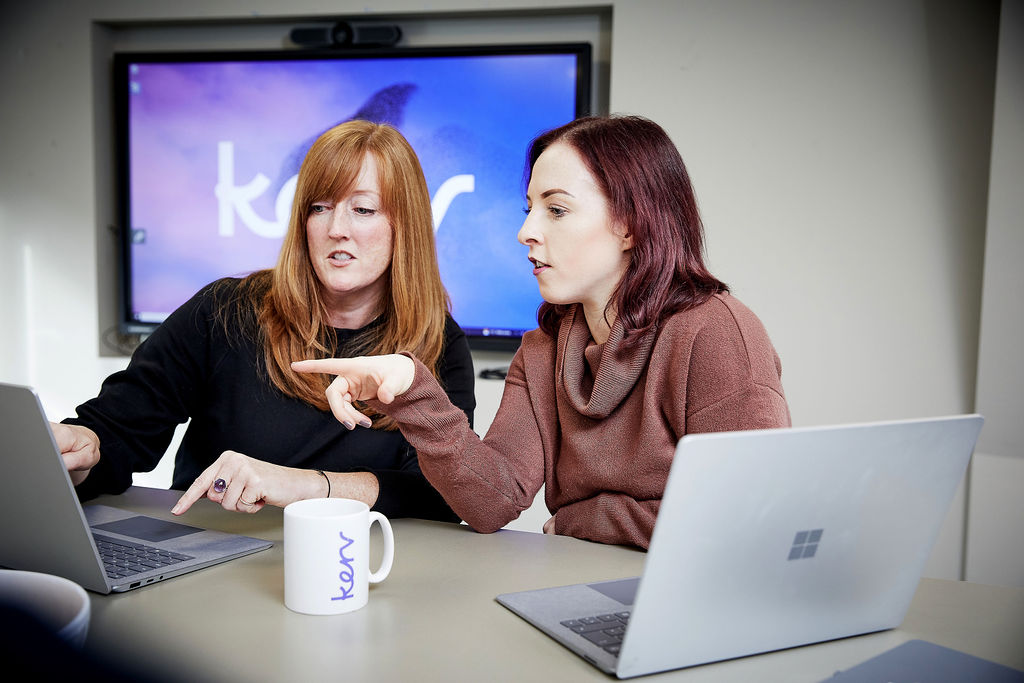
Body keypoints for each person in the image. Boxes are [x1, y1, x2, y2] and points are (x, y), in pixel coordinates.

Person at [293, 115, 791, 549]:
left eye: (555, 209)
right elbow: (492, 502)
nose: (526, 231)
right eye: (528, 208)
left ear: (631, 225)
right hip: (580, 586)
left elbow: (749, 518)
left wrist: (587, 519)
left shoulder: (716, 333)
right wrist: (410, 391)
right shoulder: (543, 348)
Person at [52, 120, 475, 522]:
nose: (336, 228)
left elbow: (441, 496)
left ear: (407, 225)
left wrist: (300, 487)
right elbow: (119, 432)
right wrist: (85, 449)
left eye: (362, 209)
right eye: (319, 207)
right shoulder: (225, 311)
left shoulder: (439, 343)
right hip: (210, 558)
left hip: (352, 570)